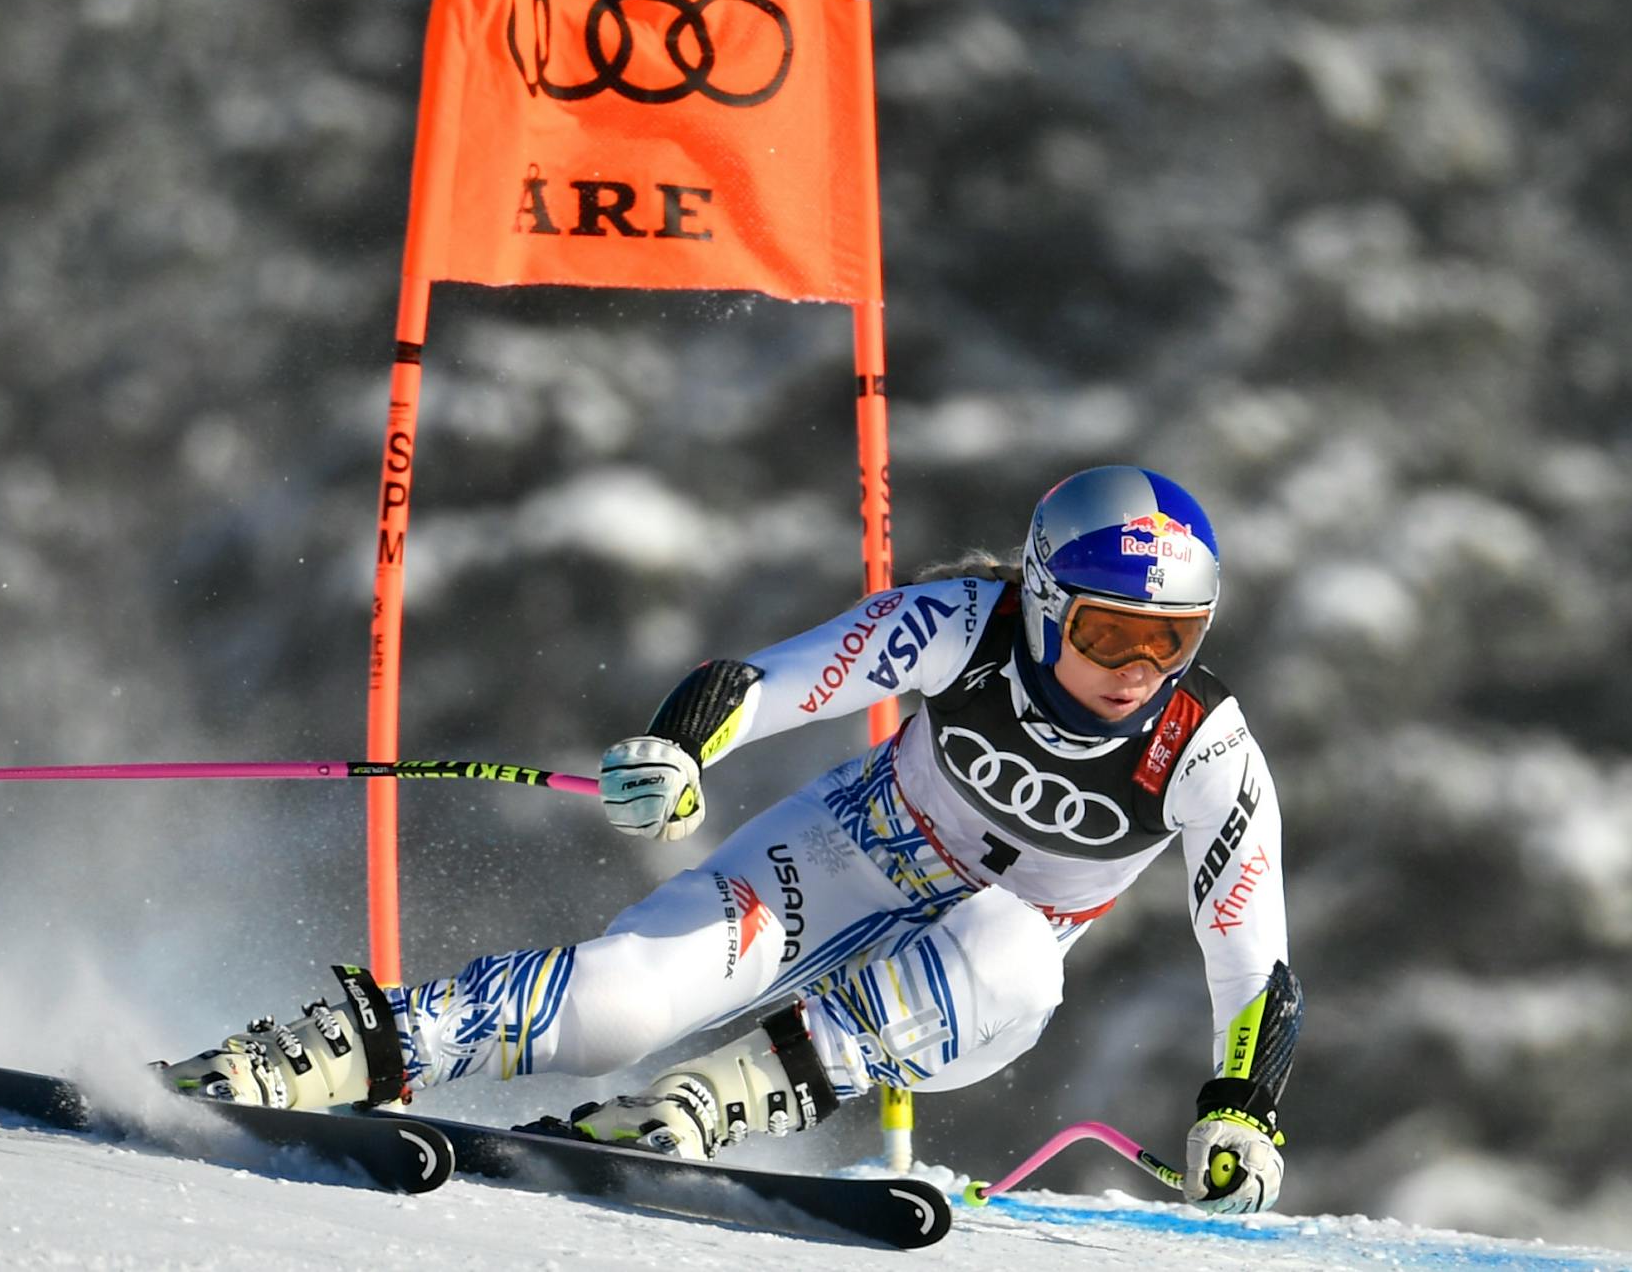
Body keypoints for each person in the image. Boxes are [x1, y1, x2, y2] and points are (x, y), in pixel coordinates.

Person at [158, 465, 1302, 1215]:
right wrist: (680, 749)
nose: (1136, 672)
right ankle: (342, 1051)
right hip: (850, 853)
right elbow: (766, 680)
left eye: (1172, 640)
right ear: (1048, 601)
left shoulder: (1207, 749)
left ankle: (708, 1102)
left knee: (1017, 943)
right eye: (1109, 634)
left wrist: (1240, 1110)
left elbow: (1253, 958)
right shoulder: (966, 625)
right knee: (618, 999)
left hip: (975, 989)